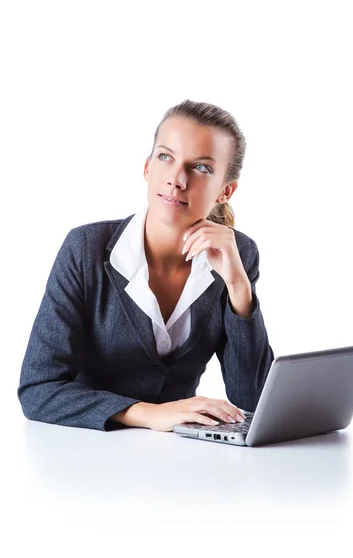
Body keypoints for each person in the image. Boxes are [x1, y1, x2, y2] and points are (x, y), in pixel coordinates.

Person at [17, 99, 274, 432]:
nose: (177, 179)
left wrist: (239, 288)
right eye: (166, 157)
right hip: (84, 457)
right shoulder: (86, 250)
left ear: (226, 191)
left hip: (182, 461)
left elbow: (253, 400)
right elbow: (38, 389)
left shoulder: (237, 254)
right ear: (147, 168)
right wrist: (147, 414)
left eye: (201, 167)